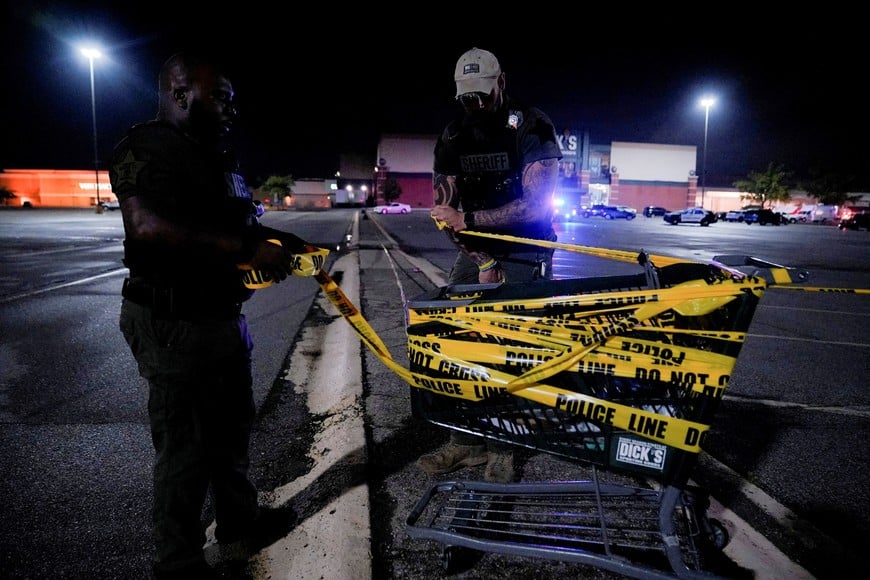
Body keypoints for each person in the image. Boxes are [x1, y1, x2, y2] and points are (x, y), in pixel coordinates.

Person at [109, 52, 305, 579]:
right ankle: (178, 562)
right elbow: (147, 228)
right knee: (186, 448)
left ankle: (240, 521)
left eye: (232, 100)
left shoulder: (215, 155)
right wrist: (245, 249)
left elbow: (240, 221)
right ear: (179, 94)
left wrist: (284, 242)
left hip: (220, 316)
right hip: (174, 320)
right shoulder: (145, 148)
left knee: (232, 430)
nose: (231, 109)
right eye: (221, 97)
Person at [420, 47, 562, 483]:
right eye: (467, 98)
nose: (476, 105)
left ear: (500, 82)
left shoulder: (532, 125)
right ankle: (466, 443)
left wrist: (473, 221)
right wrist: (481, 257)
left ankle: (505, 447)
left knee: (511, 350)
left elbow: (538, 204)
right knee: (455, 341)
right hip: (475, 250)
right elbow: (446, 211)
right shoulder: (452, 136)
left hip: (526, 249)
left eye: (483, 94)